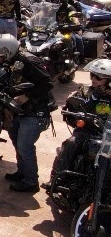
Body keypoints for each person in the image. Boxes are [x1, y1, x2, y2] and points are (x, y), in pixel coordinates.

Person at [0, 34, 54, 193]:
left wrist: (27, 96)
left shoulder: (29, 61)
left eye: (0, 53)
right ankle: (22, 172)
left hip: (35, 112)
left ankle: (31, 182)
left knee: (25, 146)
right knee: (17, 143)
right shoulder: (8, 62)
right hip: (18, 111)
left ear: (8, 51)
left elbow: (47, 83)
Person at [44, 59, 111, 191]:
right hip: (88, 132)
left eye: (98, 77)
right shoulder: (85, 91)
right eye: (92, 75)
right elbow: (75, 105)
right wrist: (94, 98)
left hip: (107, 134)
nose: (93, 79)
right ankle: (56, 180)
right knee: (71, 144)